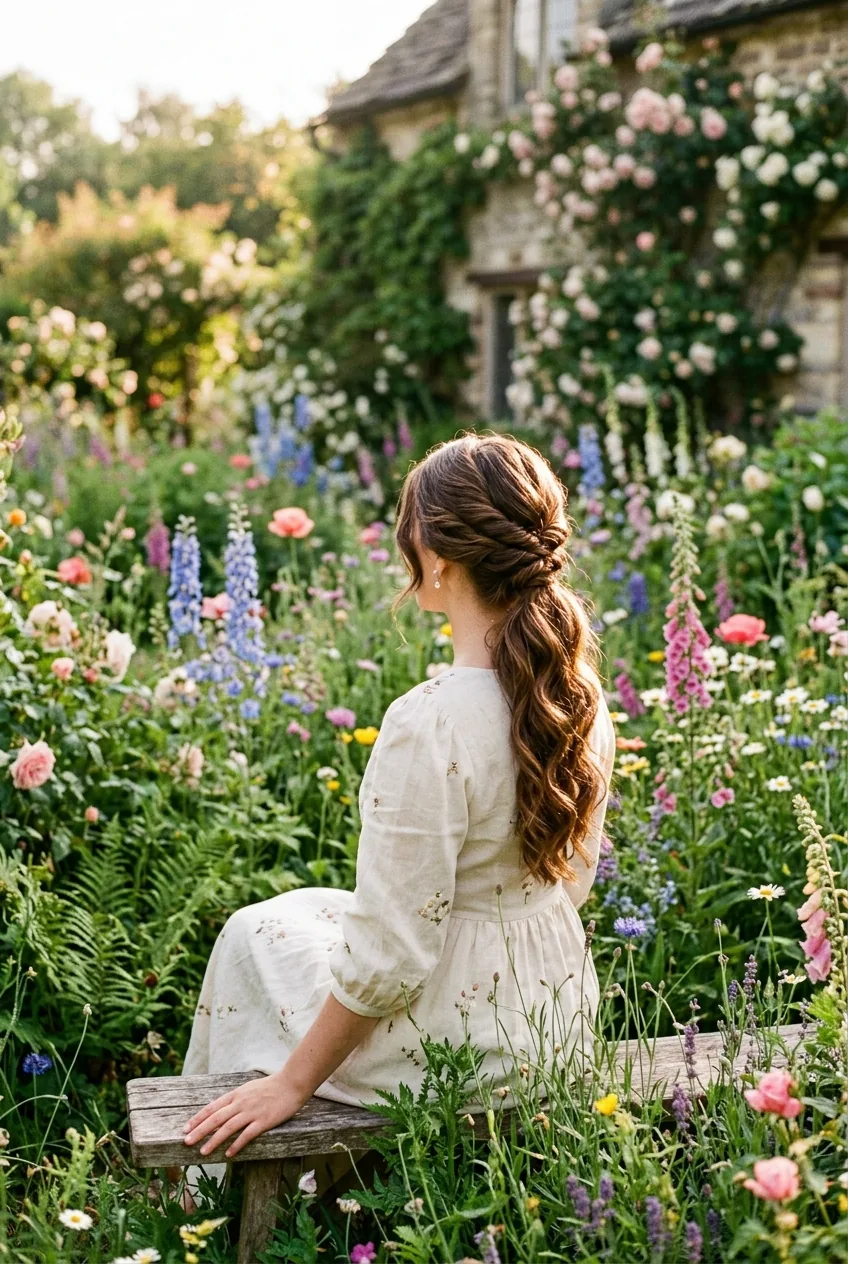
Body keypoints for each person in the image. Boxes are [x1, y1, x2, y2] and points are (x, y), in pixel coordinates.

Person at [181, 433, 615, 1168]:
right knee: (303, 913)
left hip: (451, 1051)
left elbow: (392, 956)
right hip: (552, 1021)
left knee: (250, 936)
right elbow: (570, 884)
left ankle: (208, 1190)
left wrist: (292, 1084)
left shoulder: (431, 721)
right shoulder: (577, 696)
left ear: (437, 558)